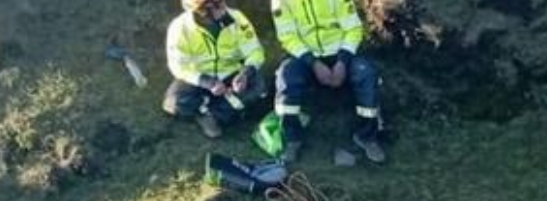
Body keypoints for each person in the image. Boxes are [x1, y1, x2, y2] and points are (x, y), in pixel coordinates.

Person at [272, 0, 384, 163]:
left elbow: (353, 28)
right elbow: (287, 37)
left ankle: (366, 137)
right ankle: (292, 139)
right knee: (286, 77)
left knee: (366, 74)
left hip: (341, 51)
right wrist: (314, 63)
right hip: (306, 55)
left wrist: (342, 62)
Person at [164, 0, 268, 140]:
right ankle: (216, 109)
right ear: (203, 10)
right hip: (199, 78)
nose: (224, 7)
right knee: (173, 102)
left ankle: (211, 114)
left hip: (232, 74)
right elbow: (178, 66)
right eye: (218, 3)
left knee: (258, 85)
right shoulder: (179, 28)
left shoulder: (236, 18)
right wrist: (206, 82)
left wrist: (245, 74)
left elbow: (255, 52)